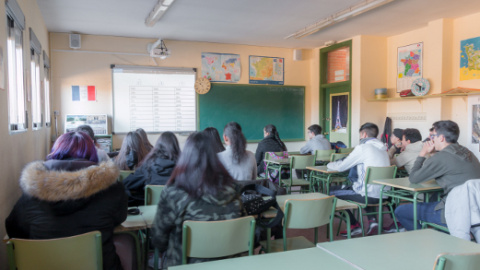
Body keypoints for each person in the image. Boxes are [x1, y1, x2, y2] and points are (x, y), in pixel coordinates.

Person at [5, 131, 127, 270]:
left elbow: (14, 229)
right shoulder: (111, 188)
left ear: (55, 151)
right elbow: (120, 217)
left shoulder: (32, 193)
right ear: (93, 152)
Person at [151, 132, 243, 267]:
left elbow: (158, 240)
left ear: (185, 156)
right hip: (231, 265)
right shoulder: (234, 190)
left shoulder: (174, 193)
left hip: (186, 265)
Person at [395, 120, 480, 231]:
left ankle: (423, 239)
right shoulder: (468, 153)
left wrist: (422, 153)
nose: (431, 139)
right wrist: (433, 153)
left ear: (441, 138)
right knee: (433, 199)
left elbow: (414, 178)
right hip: (476, 211)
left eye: (433, 136)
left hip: (452, 213)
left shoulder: (441, 158)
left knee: (400, 211)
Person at [327, 122, 390, 236]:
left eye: (360, 135)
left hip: (367, 195)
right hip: (384, 195)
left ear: (364, 134)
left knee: (329, 193)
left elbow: (341, 167)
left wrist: (329, 165)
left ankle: (354, 225)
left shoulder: (363, 148)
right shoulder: (383, 149)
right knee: (365, 188)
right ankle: (372, 222)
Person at [123, 131, 181, 205]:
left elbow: (126, 183)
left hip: (149, 212)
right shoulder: (184, 168)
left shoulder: (147, 166)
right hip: (177, 211)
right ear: (176, 147)